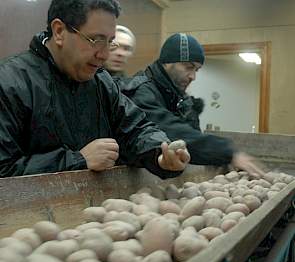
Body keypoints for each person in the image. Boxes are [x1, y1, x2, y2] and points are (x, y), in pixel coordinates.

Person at [0, 0, 190, 178]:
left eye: (109, 41)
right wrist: (78, 160)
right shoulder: (9, 82)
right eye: (95, 40)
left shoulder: (101, 82)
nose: (104, 54)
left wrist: (160, 154)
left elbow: (135, 129)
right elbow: (4, 168)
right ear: (59, 31)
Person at [124, 33, 264, 176]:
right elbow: (171, 131)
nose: (193, 77)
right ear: (167, 62)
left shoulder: (177, 98)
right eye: (188, 67)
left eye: (196, 70)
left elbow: (191, 142)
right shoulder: (141, 92)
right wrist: (227, 152)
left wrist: (220, 158)